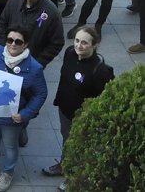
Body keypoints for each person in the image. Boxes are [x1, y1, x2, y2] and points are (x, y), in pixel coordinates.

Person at [0, 24, 48, 192]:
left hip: (12, 117)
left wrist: (25, 114)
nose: (13, 44)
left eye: (18, 41)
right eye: (10, 40)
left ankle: (8, 172)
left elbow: (40, 94)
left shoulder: (35, 68)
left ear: (25, 44)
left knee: (10, 145)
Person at [41, 27, 114, 189]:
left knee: (80, 146)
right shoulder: (69, 53)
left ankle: (74, 176)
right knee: (67, 139)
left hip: (83, 117)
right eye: (77, 41)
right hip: (65, 110)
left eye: (84, 43)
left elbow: (106, 97)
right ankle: (64, 165)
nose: (79, 45)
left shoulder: (101, 70)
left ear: (94, 45)